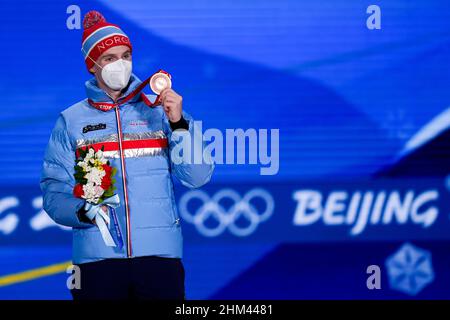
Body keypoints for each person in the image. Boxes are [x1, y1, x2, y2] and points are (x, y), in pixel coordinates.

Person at [39, 10, 214, 300]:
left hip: (159, 259)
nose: (120, 64)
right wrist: (82, 212)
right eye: (109, 58)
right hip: (96, 263)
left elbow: (198, 176)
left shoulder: (160, 110)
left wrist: (179, 123)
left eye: (126, 55)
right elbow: (54, 192)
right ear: (92, 65)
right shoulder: (70, 121)